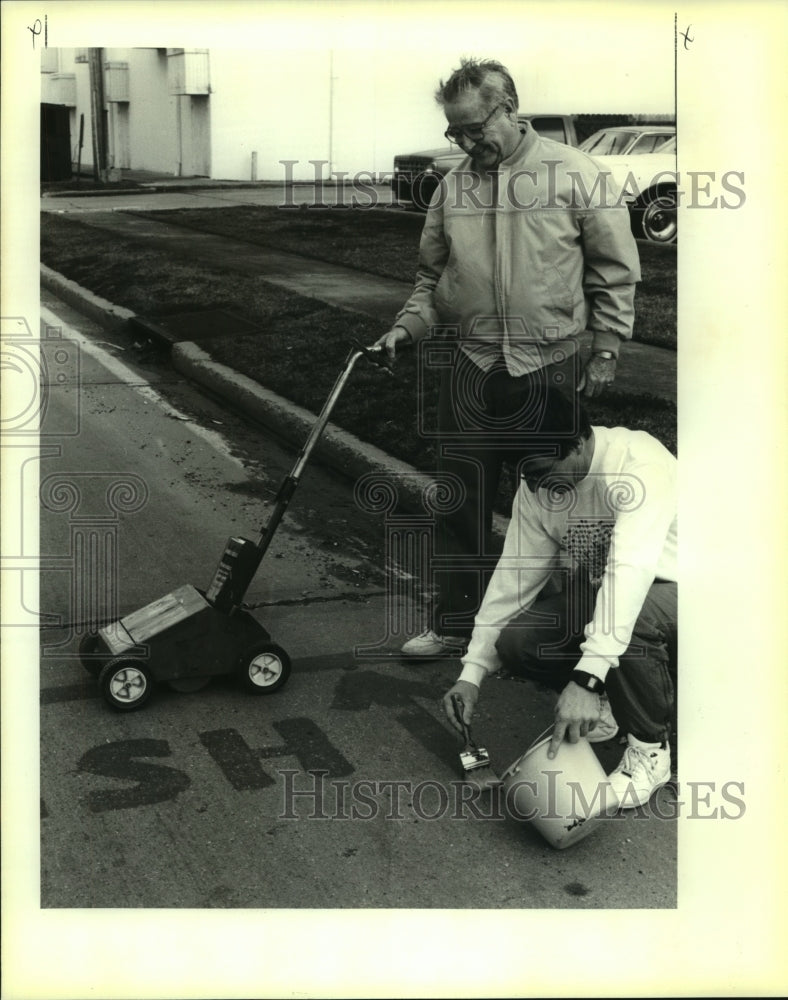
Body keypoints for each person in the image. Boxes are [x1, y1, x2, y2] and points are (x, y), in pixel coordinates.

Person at [375, 57, 642, 658]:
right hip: (469, 364)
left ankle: (555, 626)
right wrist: (406, 329)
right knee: (460, 497)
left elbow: (615, 271)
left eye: (475, 128)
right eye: (456, 132)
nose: (467, 143)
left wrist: (606, 347)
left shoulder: (576, 173)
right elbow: (432, 277)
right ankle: (454, 624)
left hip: (550, 363)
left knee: (559, 497)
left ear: (510, 109)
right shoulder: (453, 186)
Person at [442, 388, 677, 808]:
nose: (534, 486)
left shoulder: (637, 465)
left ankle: (650, 750)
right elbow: (512, 579)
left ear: (577, 442)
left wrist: (586, 677)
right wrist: (471, 673)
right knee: (518, 641)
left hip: (699, 590)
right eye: (525, 476)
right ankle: (608, 706)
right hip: (615, 592)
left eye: (540, 471)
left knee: (633, 614)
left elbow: (630, 575)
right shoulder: (537, 486)